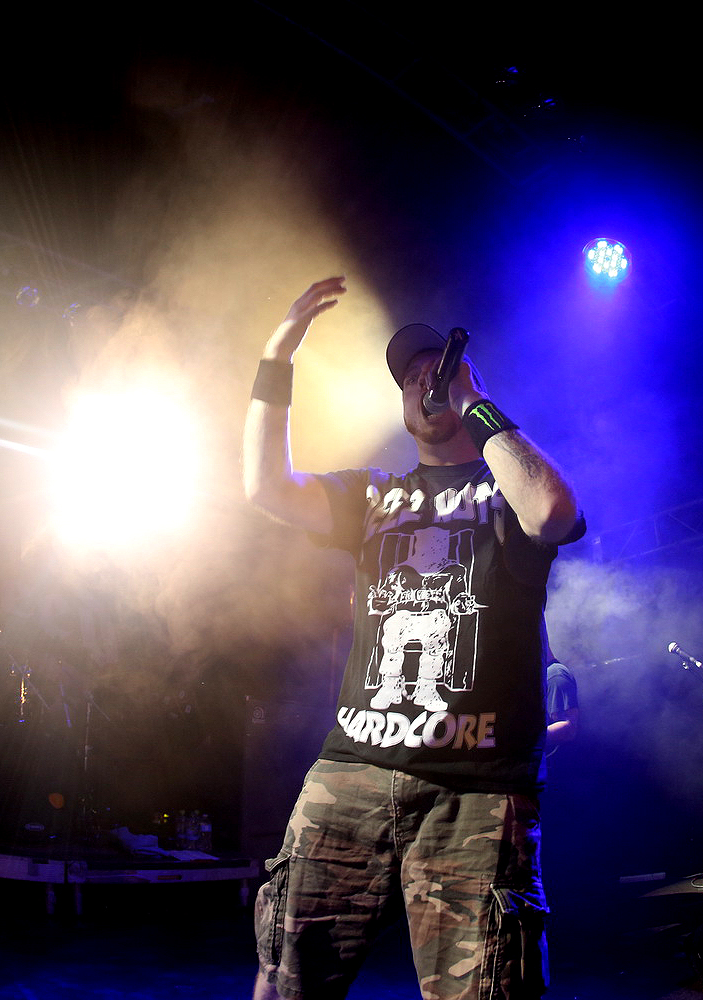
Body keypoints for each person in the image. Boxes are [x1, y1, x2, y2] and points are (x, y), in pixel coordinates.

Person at [243, 276, 583, 1000]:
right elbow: (266, 487)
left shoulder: (503, 490)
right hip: (351, 774)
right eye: (408, 379)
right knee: (286, 979)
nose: (421, 384)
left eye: (437, 370)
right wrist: (278, 357)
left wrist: (474, 402)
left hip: (476, 792)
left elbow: (553, 512)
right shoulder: (372, 492)